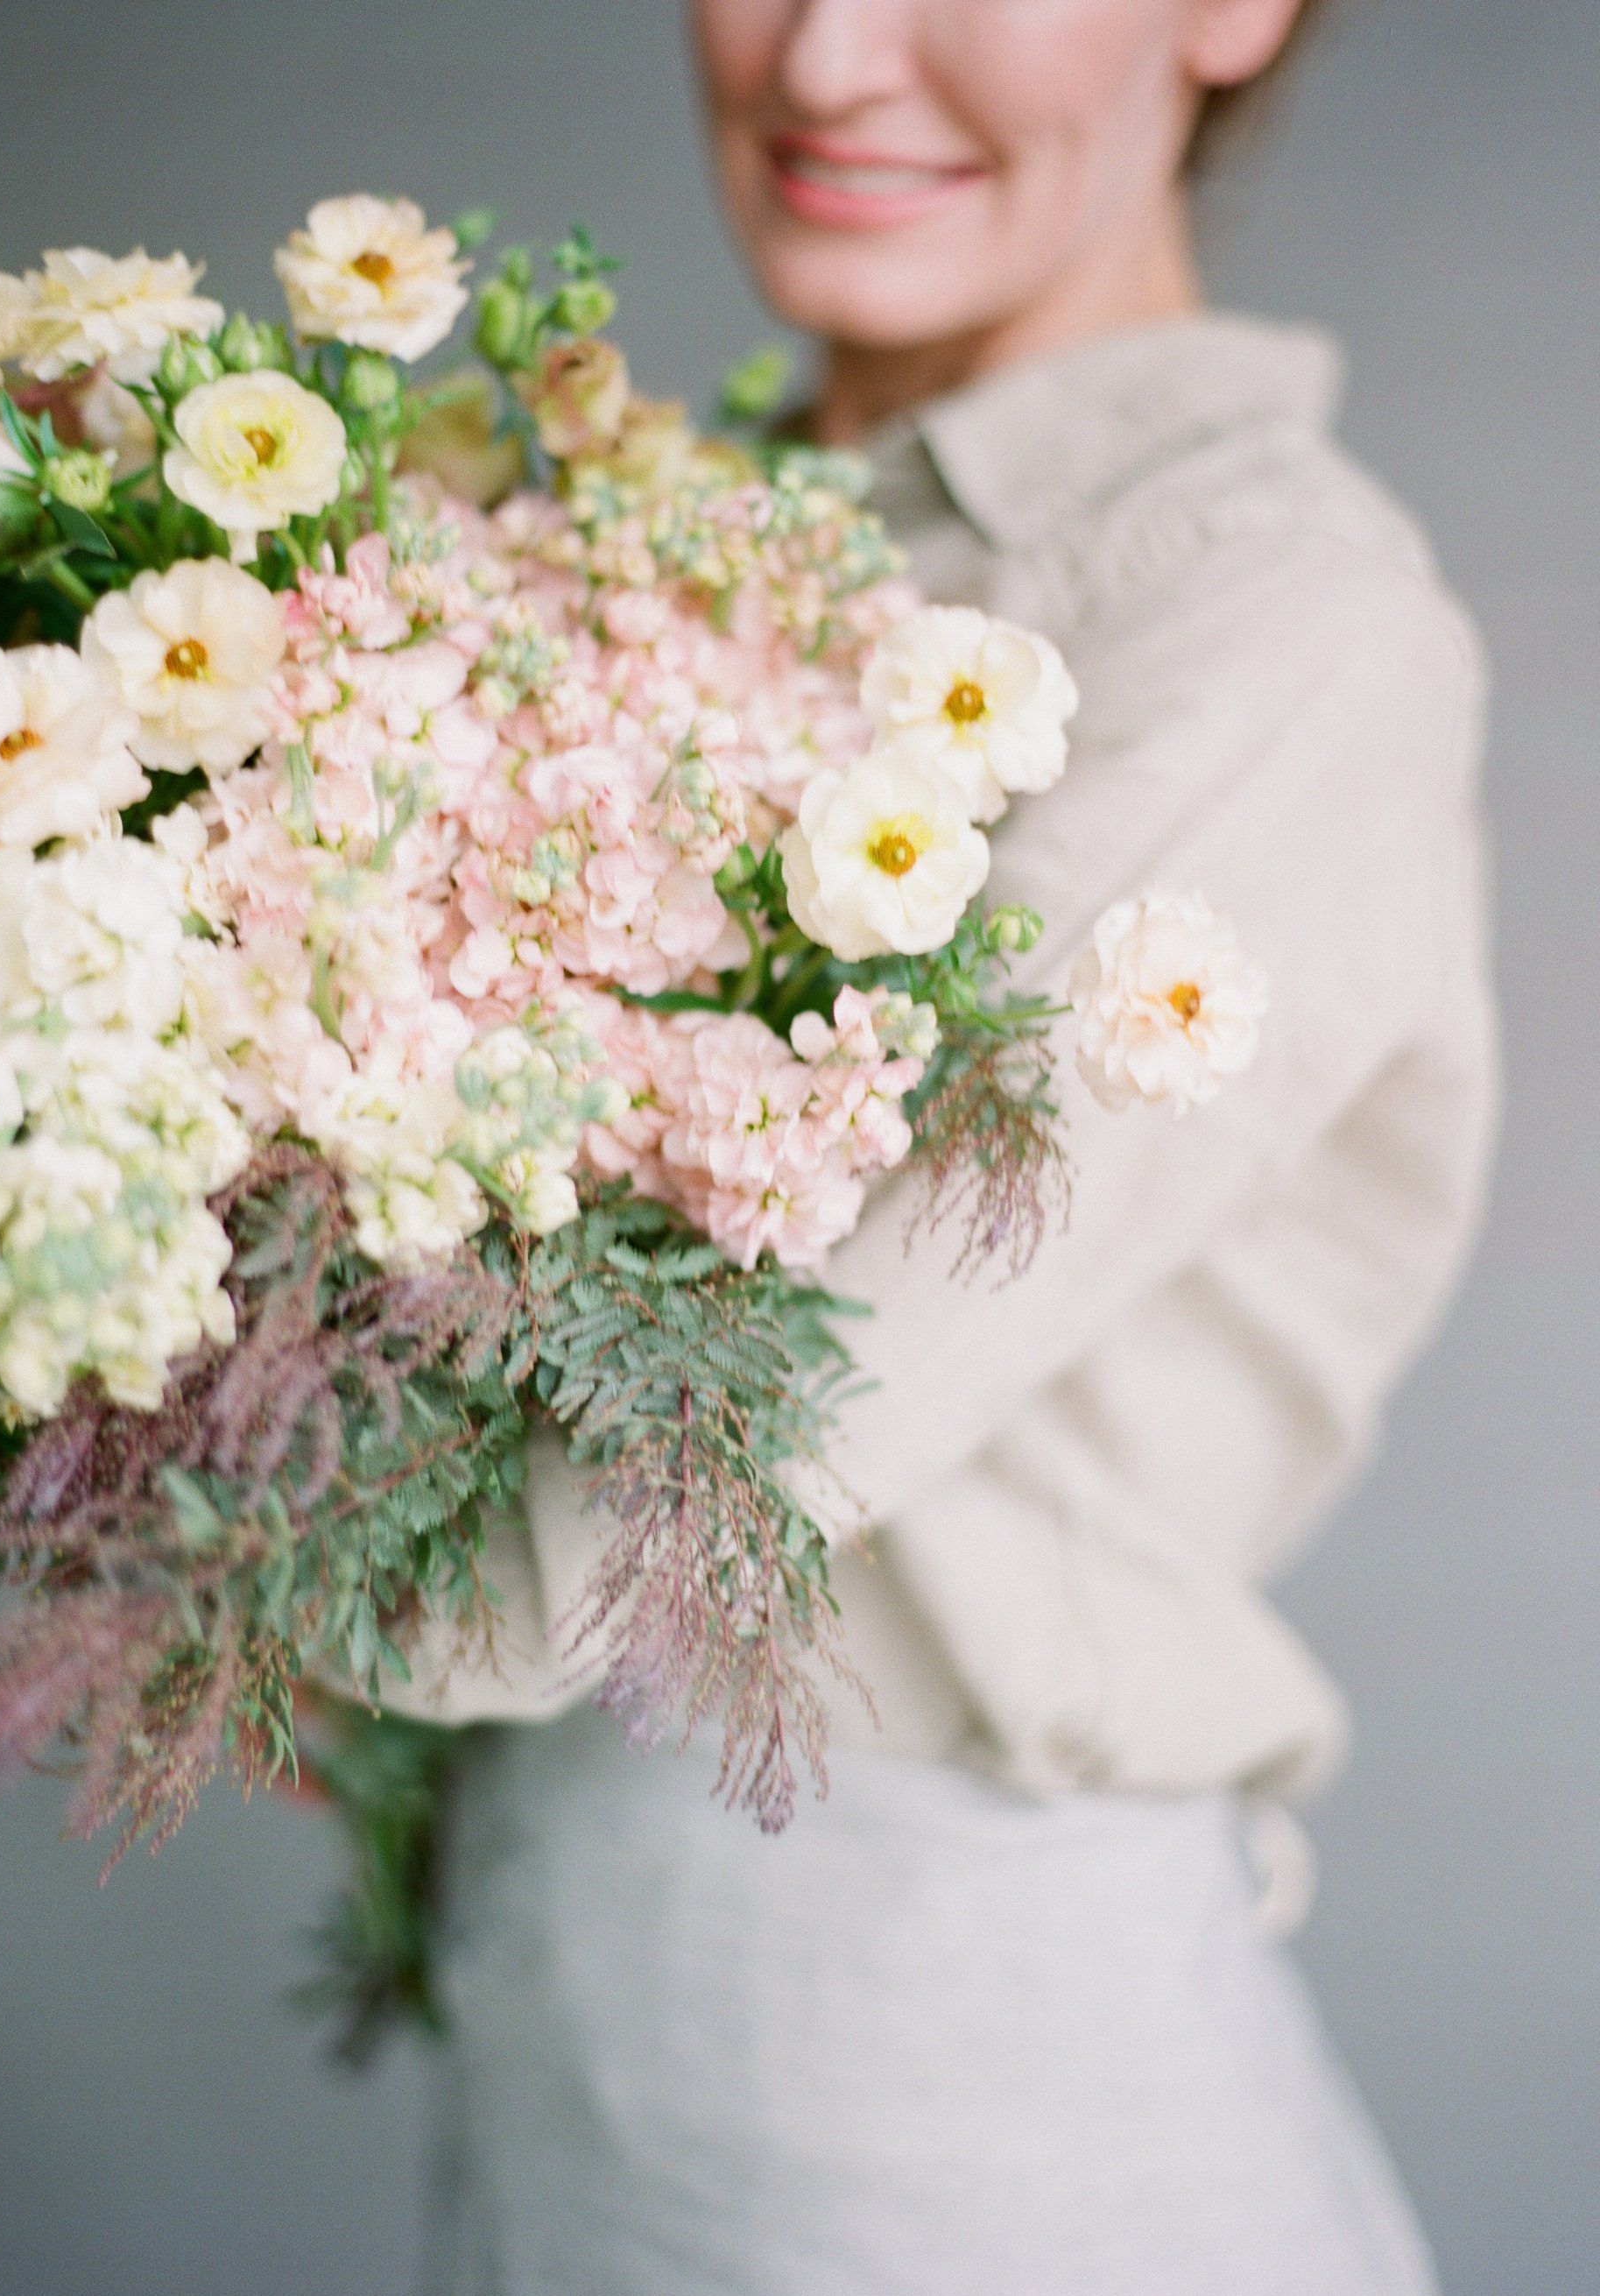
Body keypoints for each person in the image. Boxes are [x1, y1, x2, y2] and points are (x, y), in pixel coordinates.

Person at [391, 4, 1498, 2289]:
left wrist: (184, 1524)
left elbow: (727, 1431)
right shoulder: (629, 536)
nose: (824, 54)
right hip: (579, 2014)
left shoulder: (1282, 625)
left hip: (931, 2082)